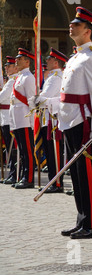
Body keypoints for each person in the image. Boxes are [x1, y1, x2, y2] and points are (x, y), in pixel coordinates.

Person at [48, 7, 92, 239]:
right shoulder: (76, 57)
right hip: (70, 121)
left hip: (84, 124)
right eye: (72, 24)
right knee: (76, 174)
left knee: (87, 175)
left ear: (87, 30)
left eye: (77, 25)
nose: (71, 26)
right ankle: (81, 219)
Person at [37, 48, 68, 193]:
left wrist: (38, 99)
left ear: (56, 62)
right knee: (50, 152)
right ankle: (53, 180)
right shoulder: (53, 76)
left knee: (54, 152)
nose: (46, 61)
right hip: (48, 118)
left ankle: (56, 182)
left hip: (53, 120)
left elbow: (44, 98)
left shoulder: (56, 78)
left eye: (49, 59)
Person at [10, 48, 36, 189]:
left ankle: (29, 178)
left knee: (27, 150)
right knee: (21, 149)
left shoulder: (28, 78)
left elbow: (31, 100)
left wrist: (32, 120)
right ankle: (22, 175)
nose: (16, 61)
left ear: (27, 62)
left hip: (25, 118)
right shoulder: (19, 77)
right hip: (18, 118)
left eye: (19, 59)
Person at [0, 56, 18, 184]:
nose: (6, 68)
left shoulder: (12, 81)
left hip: (9, 118)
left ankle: (14, 173)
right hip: (4, 117)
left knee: (12, 149)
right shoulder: (10, 80)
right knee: (9, 148)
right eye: (5, 66)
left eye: (9, 66)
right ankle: (12, 173)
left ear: (15, 67)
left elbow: (2, 97)